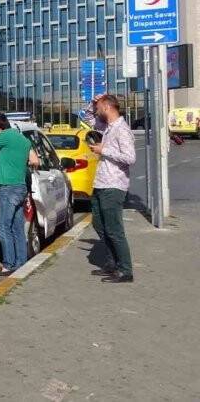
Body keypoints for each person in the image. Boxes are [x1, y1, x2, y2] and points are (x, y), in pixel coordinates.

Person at [85, 94, 136, 283]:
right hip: (101, 183)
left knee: (114, 229)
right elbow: (88, 119)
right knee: (99, 224)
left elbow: (130, 157)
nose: (97, 111)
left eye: (98, 107)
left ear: (107, 108)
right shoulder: (108, 127)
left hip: (114, 185)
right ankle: (112, 263)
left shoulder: (121, 129)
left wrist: (103, 150)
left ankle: (125, 269)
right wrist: (92, 102)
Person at [0, 113, 40, 276]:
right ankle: (21, 263)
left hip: (8, 188)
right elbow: (33, 160)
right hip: (20, 187)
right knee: (17, 227)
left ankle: (8, 264)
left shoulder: (4, 136)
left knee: (3, 227)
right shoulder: (23, 139)